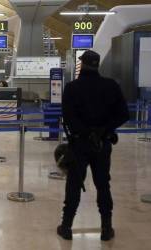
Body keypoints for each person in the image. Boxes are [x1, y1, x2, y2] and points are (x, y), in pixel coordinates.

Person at [57, 50, 129, 241]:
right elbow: (124, 114)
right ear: (97, 65)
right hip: (103, 144)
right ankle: (106, 227)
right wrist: (104, 130)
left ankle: (66, 226)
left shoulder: (72, 88)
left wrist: (86, 133)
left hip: (79, 144)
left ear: (82, 64)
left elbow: (69, 117)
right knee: (103, 184)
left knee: (74, 184)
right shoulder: (111, 86)